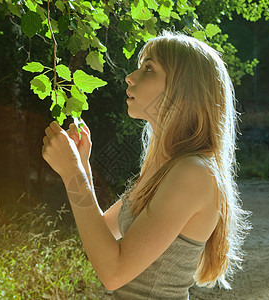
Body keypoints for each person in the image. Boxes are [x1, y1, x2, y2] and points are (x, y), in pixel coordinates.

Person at [41, 31, 251, 299]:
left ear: (184, 91)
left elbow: (113, 272)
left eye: (148, 68)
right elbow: (101, 233)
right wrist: (81, 166)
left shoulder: (193, 172)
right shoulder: (165, 168)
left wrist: (74, 174)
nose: (130, 76)